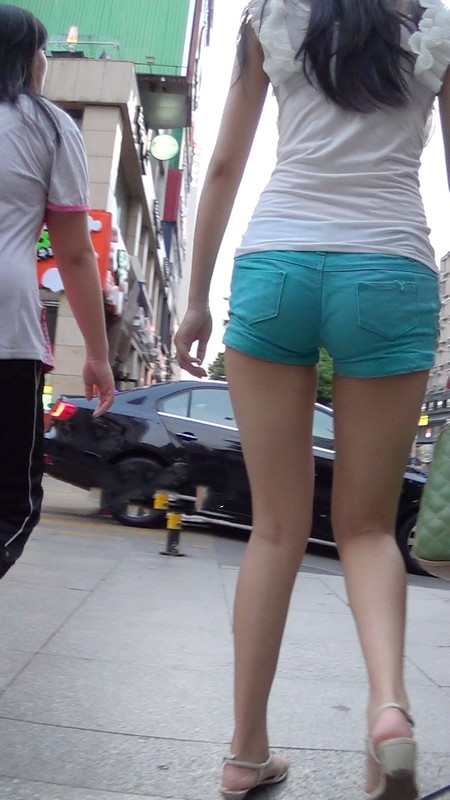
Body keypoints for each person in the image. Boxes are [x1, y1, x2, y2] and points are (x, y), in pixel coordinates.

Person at [175, 0, 450, 798]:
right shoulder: (435, 26)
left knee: (275, 529)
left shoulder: (272, 18)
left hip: (277, 263)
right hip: (391, 268)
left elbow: (224, 166)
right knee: (367, 529)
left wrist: (195, 298)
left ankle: (245, 750)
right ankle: (389, 710)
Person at [0, 5, 115, 580]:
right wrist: (97, 354)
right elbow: (73, 253)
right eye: (42, 50)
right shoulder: (47, 125)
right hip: (6, 333)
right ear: (26, 59)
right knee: (11, 506)